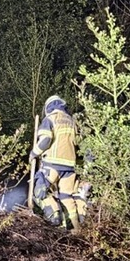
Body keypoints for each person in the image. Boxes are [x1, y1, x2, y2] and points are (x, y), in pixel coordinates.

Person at [29, 95, 87, 231]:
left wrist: (34, 153)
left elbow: (45, 140)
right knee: (66, 196)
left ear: (48, 107)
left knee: (39, 191)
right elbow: (79, 146)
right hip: (70, 167)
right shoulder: (73, 122)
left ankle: (55, 219)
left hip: (52, 163)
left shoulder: (50, 119)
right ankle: (77, 228)